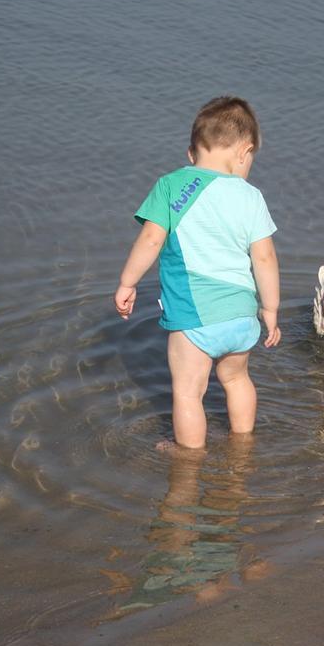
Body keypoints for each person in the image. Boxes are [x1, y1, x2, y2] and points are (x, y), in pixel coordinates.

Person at [115, 96, 281, 449]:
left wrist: (127, 282)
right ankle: (243, 444)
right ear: (244, 152)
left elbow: (150, 239)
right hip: (241, 314)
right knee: (236, 379)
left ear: (191, 154)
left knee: (189, 392)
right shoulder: (251, 196)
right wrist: (270, 309)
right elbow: (264, 258)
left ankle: (188, 460)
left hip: (194, 316)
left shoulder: (171, 186)